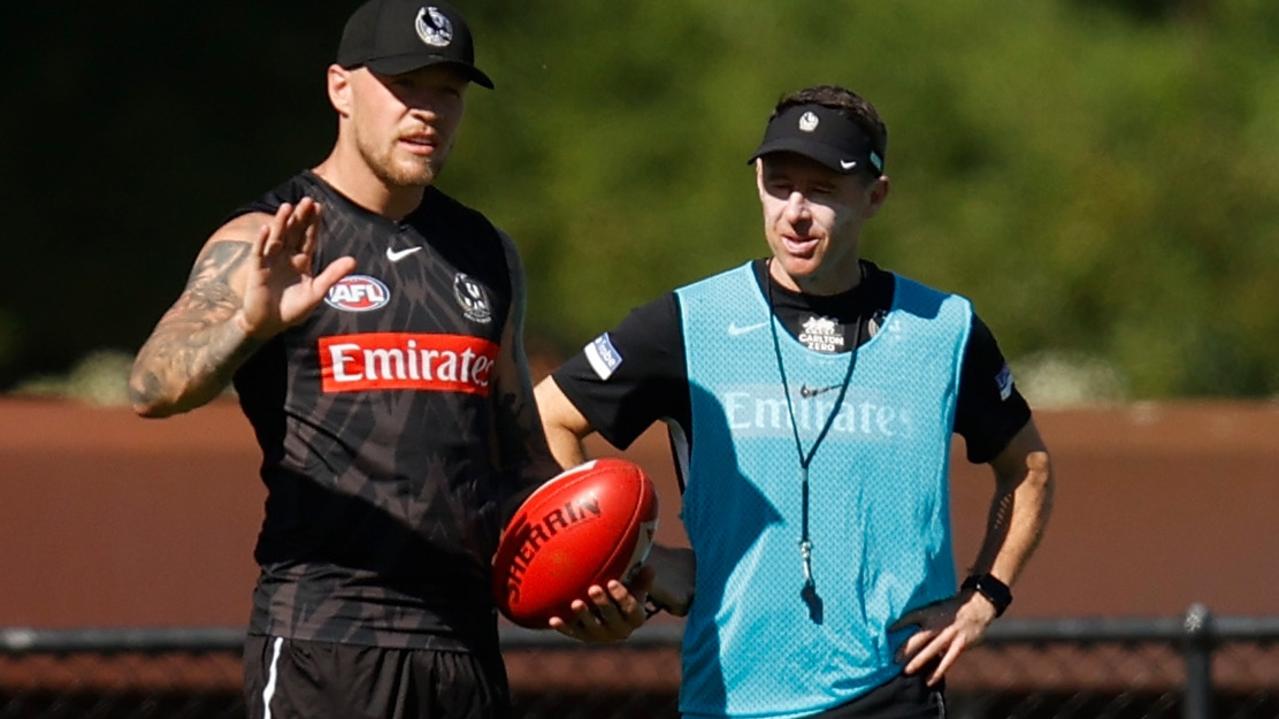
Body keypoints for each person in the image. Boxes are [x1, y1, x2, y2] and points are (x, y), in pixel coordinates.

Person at [128, 2, 645, 717]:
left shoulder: (486, 254)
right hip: (325, 644)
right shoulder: (271, 235)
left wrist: (611, 570)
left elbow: (519, 457)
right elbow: (153, 384)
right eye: (405, 86)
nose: (427, 111)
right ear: (340, 88)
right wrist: (248, 321)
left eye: (447, 92)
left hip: (462, 648)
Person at [535, 84, 1055, 718]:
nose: (795, 213)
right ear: (758, 182)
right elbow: (548, 417)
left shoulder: (943, 329)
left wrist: (984, 596)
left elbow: (1028, 470)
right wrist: (635, 561)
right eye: (780, 185)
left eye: (824, 191)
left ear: (876, 196)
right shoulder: (691, 321)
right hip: (732, 697)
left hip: (893, 694)